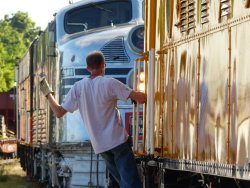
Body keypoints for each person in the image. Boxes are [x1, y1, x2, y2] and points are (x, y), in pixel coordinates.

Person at [40, 51, 146, 188]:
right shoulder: (110, 83)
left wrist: (48, 94)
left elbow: (59, 112)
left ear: (88, 68)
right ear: (104, 65)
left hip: (100, 146)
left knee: (122, 182)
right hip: (118, 141)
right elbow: (141, 98)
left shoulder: (78, 87)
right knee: (131, 183)